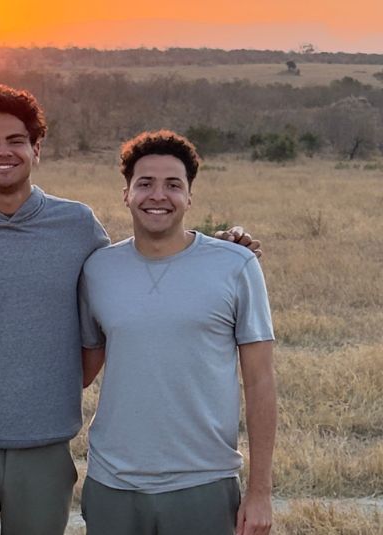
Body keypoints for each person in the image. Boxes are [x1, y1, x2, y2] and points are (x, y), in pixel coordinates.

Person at [0, 83, 262, 535]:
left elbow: (129, 280)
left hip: (47, 445)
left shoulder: (75, 225)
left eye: (16, 141)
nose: (2, 152)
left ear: (37, 149)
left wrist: (217, 250)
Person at [79, 130, 276, 535]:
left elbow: (260, 381)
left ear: (190, 197)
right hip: (112, 483)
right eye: (145, 183)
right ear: (126, 193)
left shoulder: (235, 266)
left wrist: (260, 493)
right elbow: (82, 369)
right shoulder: (97, 269)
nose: (158, 196)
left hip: (203, 482)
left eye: (173, 185)